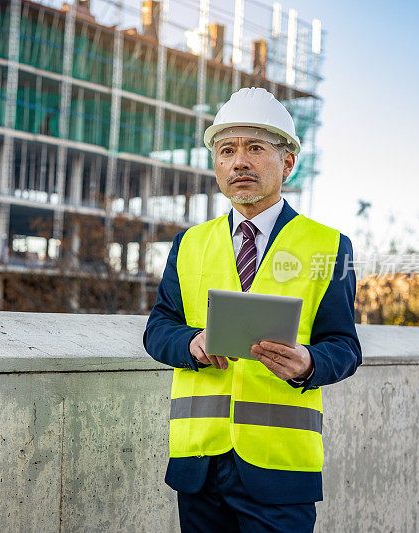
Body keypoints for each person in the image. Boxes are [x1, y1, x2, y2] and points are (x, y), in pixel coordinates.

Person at [143, 87, 362, 533]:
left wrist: (308, 364)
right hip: (199, 466)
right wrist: (192, 342)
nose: (239, 161)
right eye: (227, 150)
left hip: (280, 471)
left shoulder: (329, 246)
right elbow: (158, 329)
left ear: (287, 163)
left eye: (255, 148)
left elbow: (344, 346)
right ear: (216, 166)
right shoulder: (189, 243)